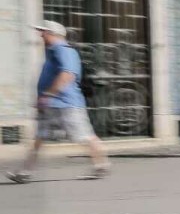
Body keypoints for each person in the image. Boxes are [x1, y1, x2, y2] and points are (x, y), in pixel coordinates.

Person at [7, 21, 110, 183]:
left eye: (43, 32)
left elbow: (67, 75)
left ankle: (101, 165)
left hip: (67, 104)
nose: (41, 35)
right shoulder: (53, 51)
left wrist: (47, 94)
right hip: (52, 104)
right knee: (39, 138)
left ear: (52, 34)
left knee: (85, 136)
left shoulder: (63, 50)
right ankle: (24, 172)